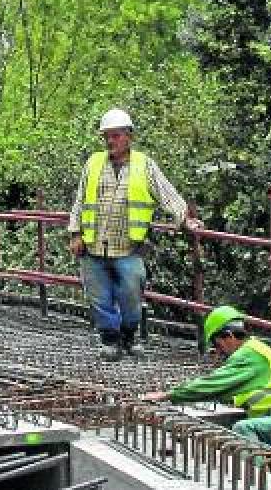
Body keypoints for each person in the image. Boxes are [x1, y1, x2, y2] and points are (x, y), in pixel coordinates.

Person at [67, 108, 203, 361]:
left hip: (128, 246)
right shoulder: (93, 163)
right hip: (93, 245)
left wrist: (184, 219)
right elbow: (79, 201)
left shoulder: (144, 165)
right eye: (106, 136)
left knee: (131, 294)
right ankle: (109, 340)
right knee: (99, 298)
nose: (110, 141)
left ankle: (129, 335)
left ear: (129, 136)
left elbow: (166, 194)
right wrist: (75, 234)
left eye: (116, 136)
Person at [142, 306, 271, 453]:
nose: (219, 350)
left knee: (243, 428)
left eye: (217, 344)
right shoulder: (254, 350)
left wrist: (167, 395)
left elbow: (213, 385)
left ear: (229, 335)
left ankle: (250, 481)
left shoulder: (249, 354)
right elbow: (228, 391)